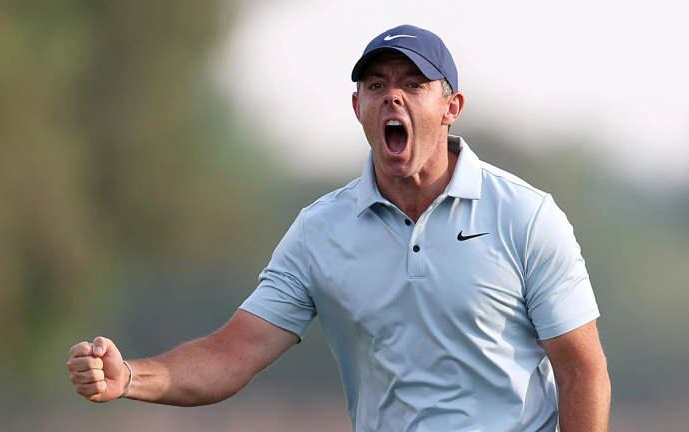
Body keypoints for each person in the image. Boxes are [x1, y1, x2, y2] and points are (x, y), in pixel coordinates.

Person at [67, 25, 611, 431]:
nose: (392, 96)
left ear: (452, 107)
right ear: (358, 106)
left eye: (414, 84)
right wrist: (130, 377)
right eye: (376, 85)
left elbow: (581, 373)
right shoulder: (319, 232)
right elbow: (232, 353)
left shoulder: (526, 217)